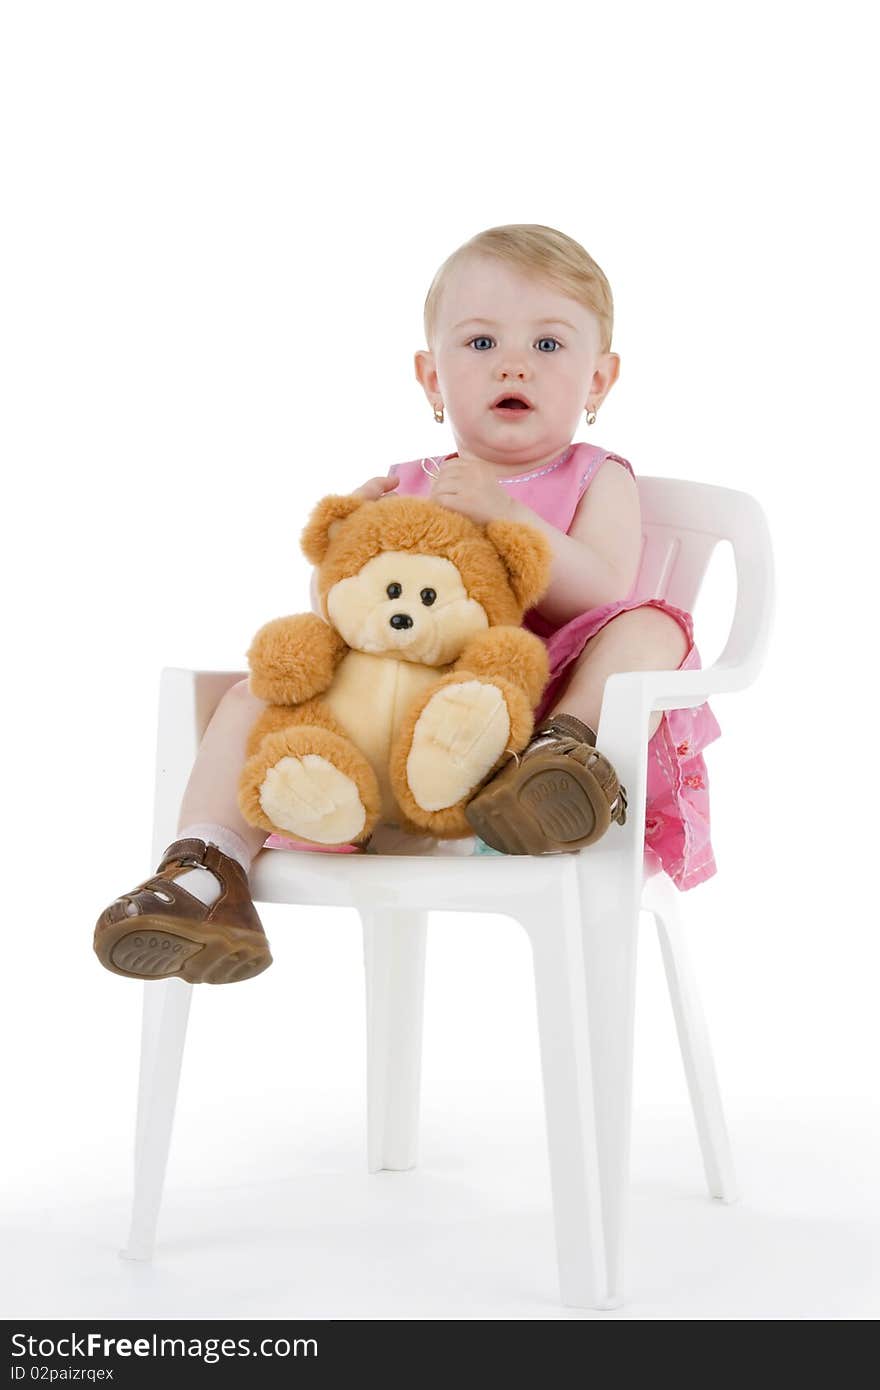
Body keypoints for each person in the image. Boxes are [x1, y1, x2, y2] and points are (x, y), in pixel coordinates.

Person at [93, 223, 720, 986]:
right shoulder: (409, 481)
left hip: (520, 725)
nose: (513, 362)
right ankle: (205, 868)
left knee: (653, 625)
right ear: (431, 379)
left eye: (549, 345)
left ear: (598, 381)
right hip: (410, 725)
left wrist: (508, 516)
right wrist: (339, 559)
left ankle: (562, 762)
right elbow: (346, 619)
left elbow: (605, 586)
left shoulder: (598, 476)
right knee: (260, 690)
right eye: (481, 343)